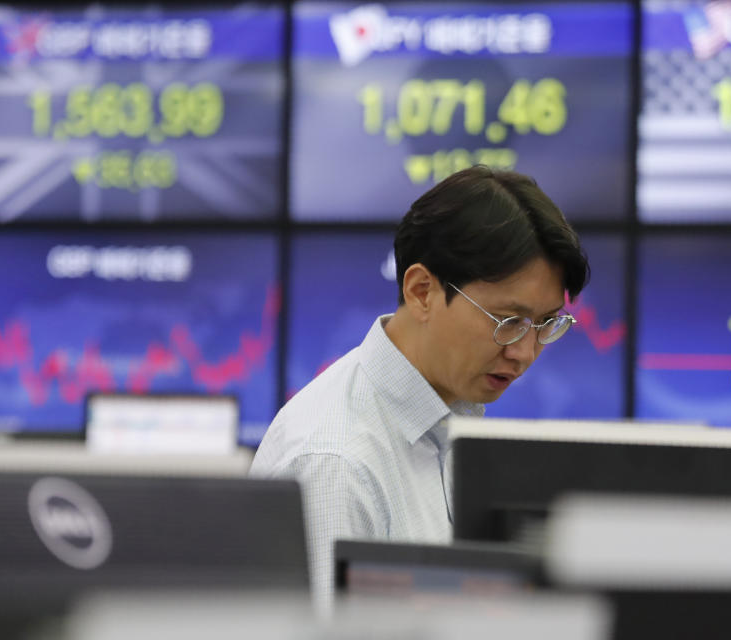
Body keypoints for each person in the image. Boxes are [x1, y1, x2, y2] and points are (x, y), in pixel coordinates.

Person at [249, 165, 589, 605]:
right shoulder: (338, 464)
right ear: (422, 291)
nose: (525, 352)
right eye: (508, 321)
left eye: (545, 324)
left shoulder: (448, 415)